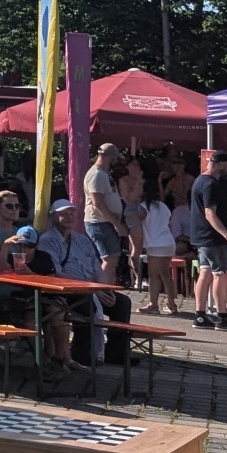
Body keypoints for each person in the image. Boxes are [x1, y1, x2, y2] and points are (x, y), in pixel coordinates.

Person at [39, 197, 134, 369]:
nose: (69, 217)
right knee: (86, 305)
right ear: (54, 217)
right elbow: (55, 272)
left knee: (122, 303)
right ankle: (82, 353)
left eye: (71, 213)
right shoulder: (48, 240)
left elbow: (97, 269)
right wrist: (91, 290)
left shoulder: (82, 240)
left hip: (92, 287)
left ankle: (115, 352)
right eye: (63, 214)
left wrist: (105, 289)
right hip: (68, 290)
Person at [190, 150, 227, 329]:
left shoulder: (200, 180)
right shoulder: (210, 184)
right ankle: (221, 316)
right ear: (221, 163)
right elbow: (209, 213)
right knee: (221, 274)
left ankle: (200, 315)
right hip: (213, 237)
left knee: (205, 272)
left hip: (203, 236)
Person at [82, 142, 128, 284]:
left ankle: (107, 289)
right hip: (100, 223)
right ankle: (103, 291)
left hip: (105, 222)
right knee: (109, 258)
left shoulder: (103, 174)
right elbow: (97, 202)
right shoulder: (96, 175)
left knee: (111, 258)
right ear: (111, 156)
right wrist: (117, 224)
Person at [137, 180, 181, 316]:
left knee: (154, 276)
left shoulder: (143, 207)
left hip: (155, 244)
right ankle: (172, 304)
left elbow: (137, 222)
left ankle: (154, 305)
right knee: (165, 274)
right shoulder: (163, 206)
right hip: (168, 242)